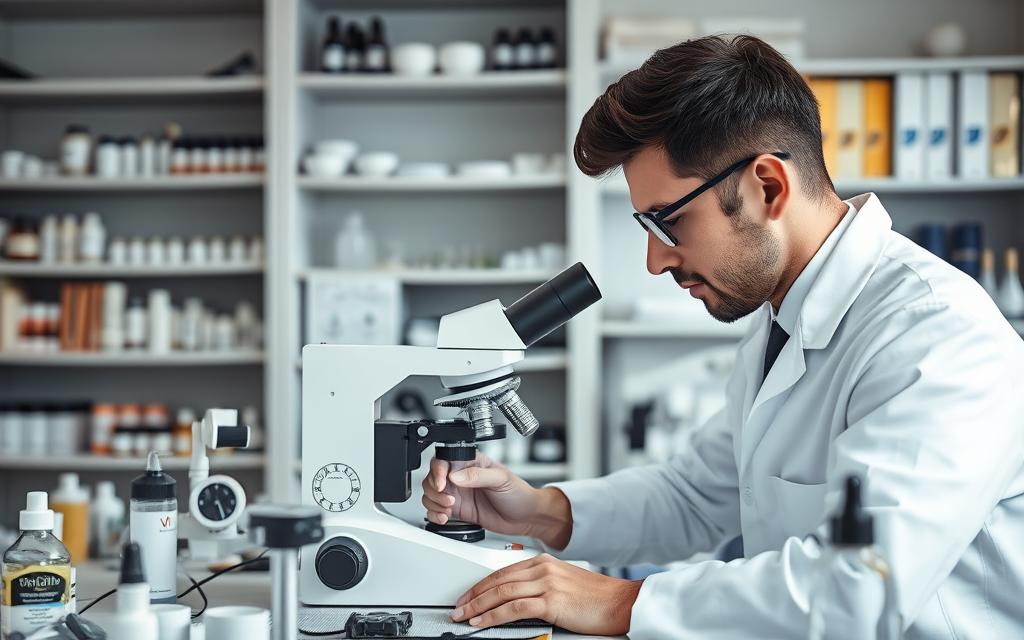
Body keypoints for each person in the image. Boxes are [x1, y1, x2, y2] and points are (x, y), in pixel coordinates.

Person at [423, 35, 1024, 638]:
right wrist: (539, 511)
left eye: (669, 221)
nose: (655, 261)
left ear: (768, 187)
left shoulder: (937, 336)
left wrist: (617, 602)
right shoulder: (780, 318)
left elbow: (857, 589)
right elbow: (698, 493)